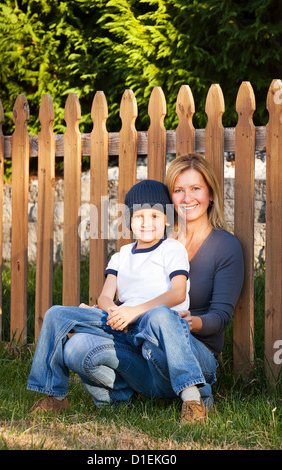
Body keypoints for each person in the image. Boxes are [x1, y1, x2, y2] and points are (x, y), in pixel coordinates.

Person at [27, 153, 244, 424]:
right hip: (136, 338)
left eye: (195, 188)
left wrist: (191, 323)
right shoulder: (128, 252)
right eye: (179, 190)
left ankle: (195, 397)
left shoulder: (213, 247)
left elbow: (215, 315)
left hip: (188, 346)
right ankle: (63, 395)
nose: (187, 197)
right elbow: (110, 295)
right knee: (66, 329)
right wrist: (107, 310)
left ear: (210, 193)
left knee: (160, 315)